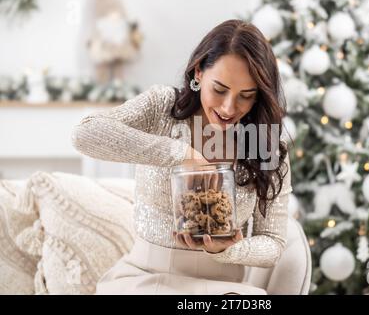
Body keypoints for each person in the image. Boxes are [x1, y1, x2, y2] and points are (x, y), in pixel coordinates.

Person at [71, 19, 293, 295]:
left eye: (245, 96)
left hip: (225, 287)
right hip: (146, 278)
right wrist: (180, 154)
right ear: (198, 72)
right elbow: (85, 134)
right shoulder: (163, 108)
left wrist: (229, 249)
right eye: (220, 89)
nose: (228, 107)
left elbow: (273, 242)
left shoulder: (264, 143)